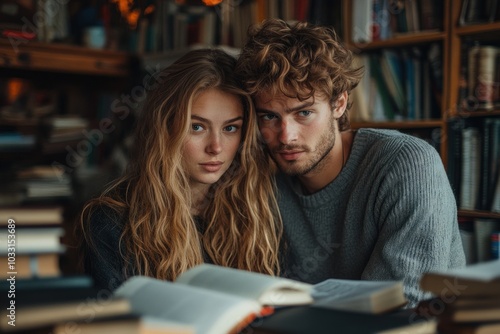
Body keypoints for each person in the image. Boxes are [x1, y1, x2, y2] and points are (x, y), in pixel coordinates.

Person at [235, 19, 466, 307]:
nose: (286, 136)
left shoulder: (406, 163)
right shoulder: (262, 177)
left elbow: (398, 304)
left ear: (339, 104)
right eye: (269, 116)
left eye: (304, 113)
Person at [79, 48, 282, 291]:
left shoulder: (252, 209)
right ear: (166, 127)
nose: (216, 147)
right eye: (197, 127)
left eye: (230, 128)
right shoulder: (111, 222)